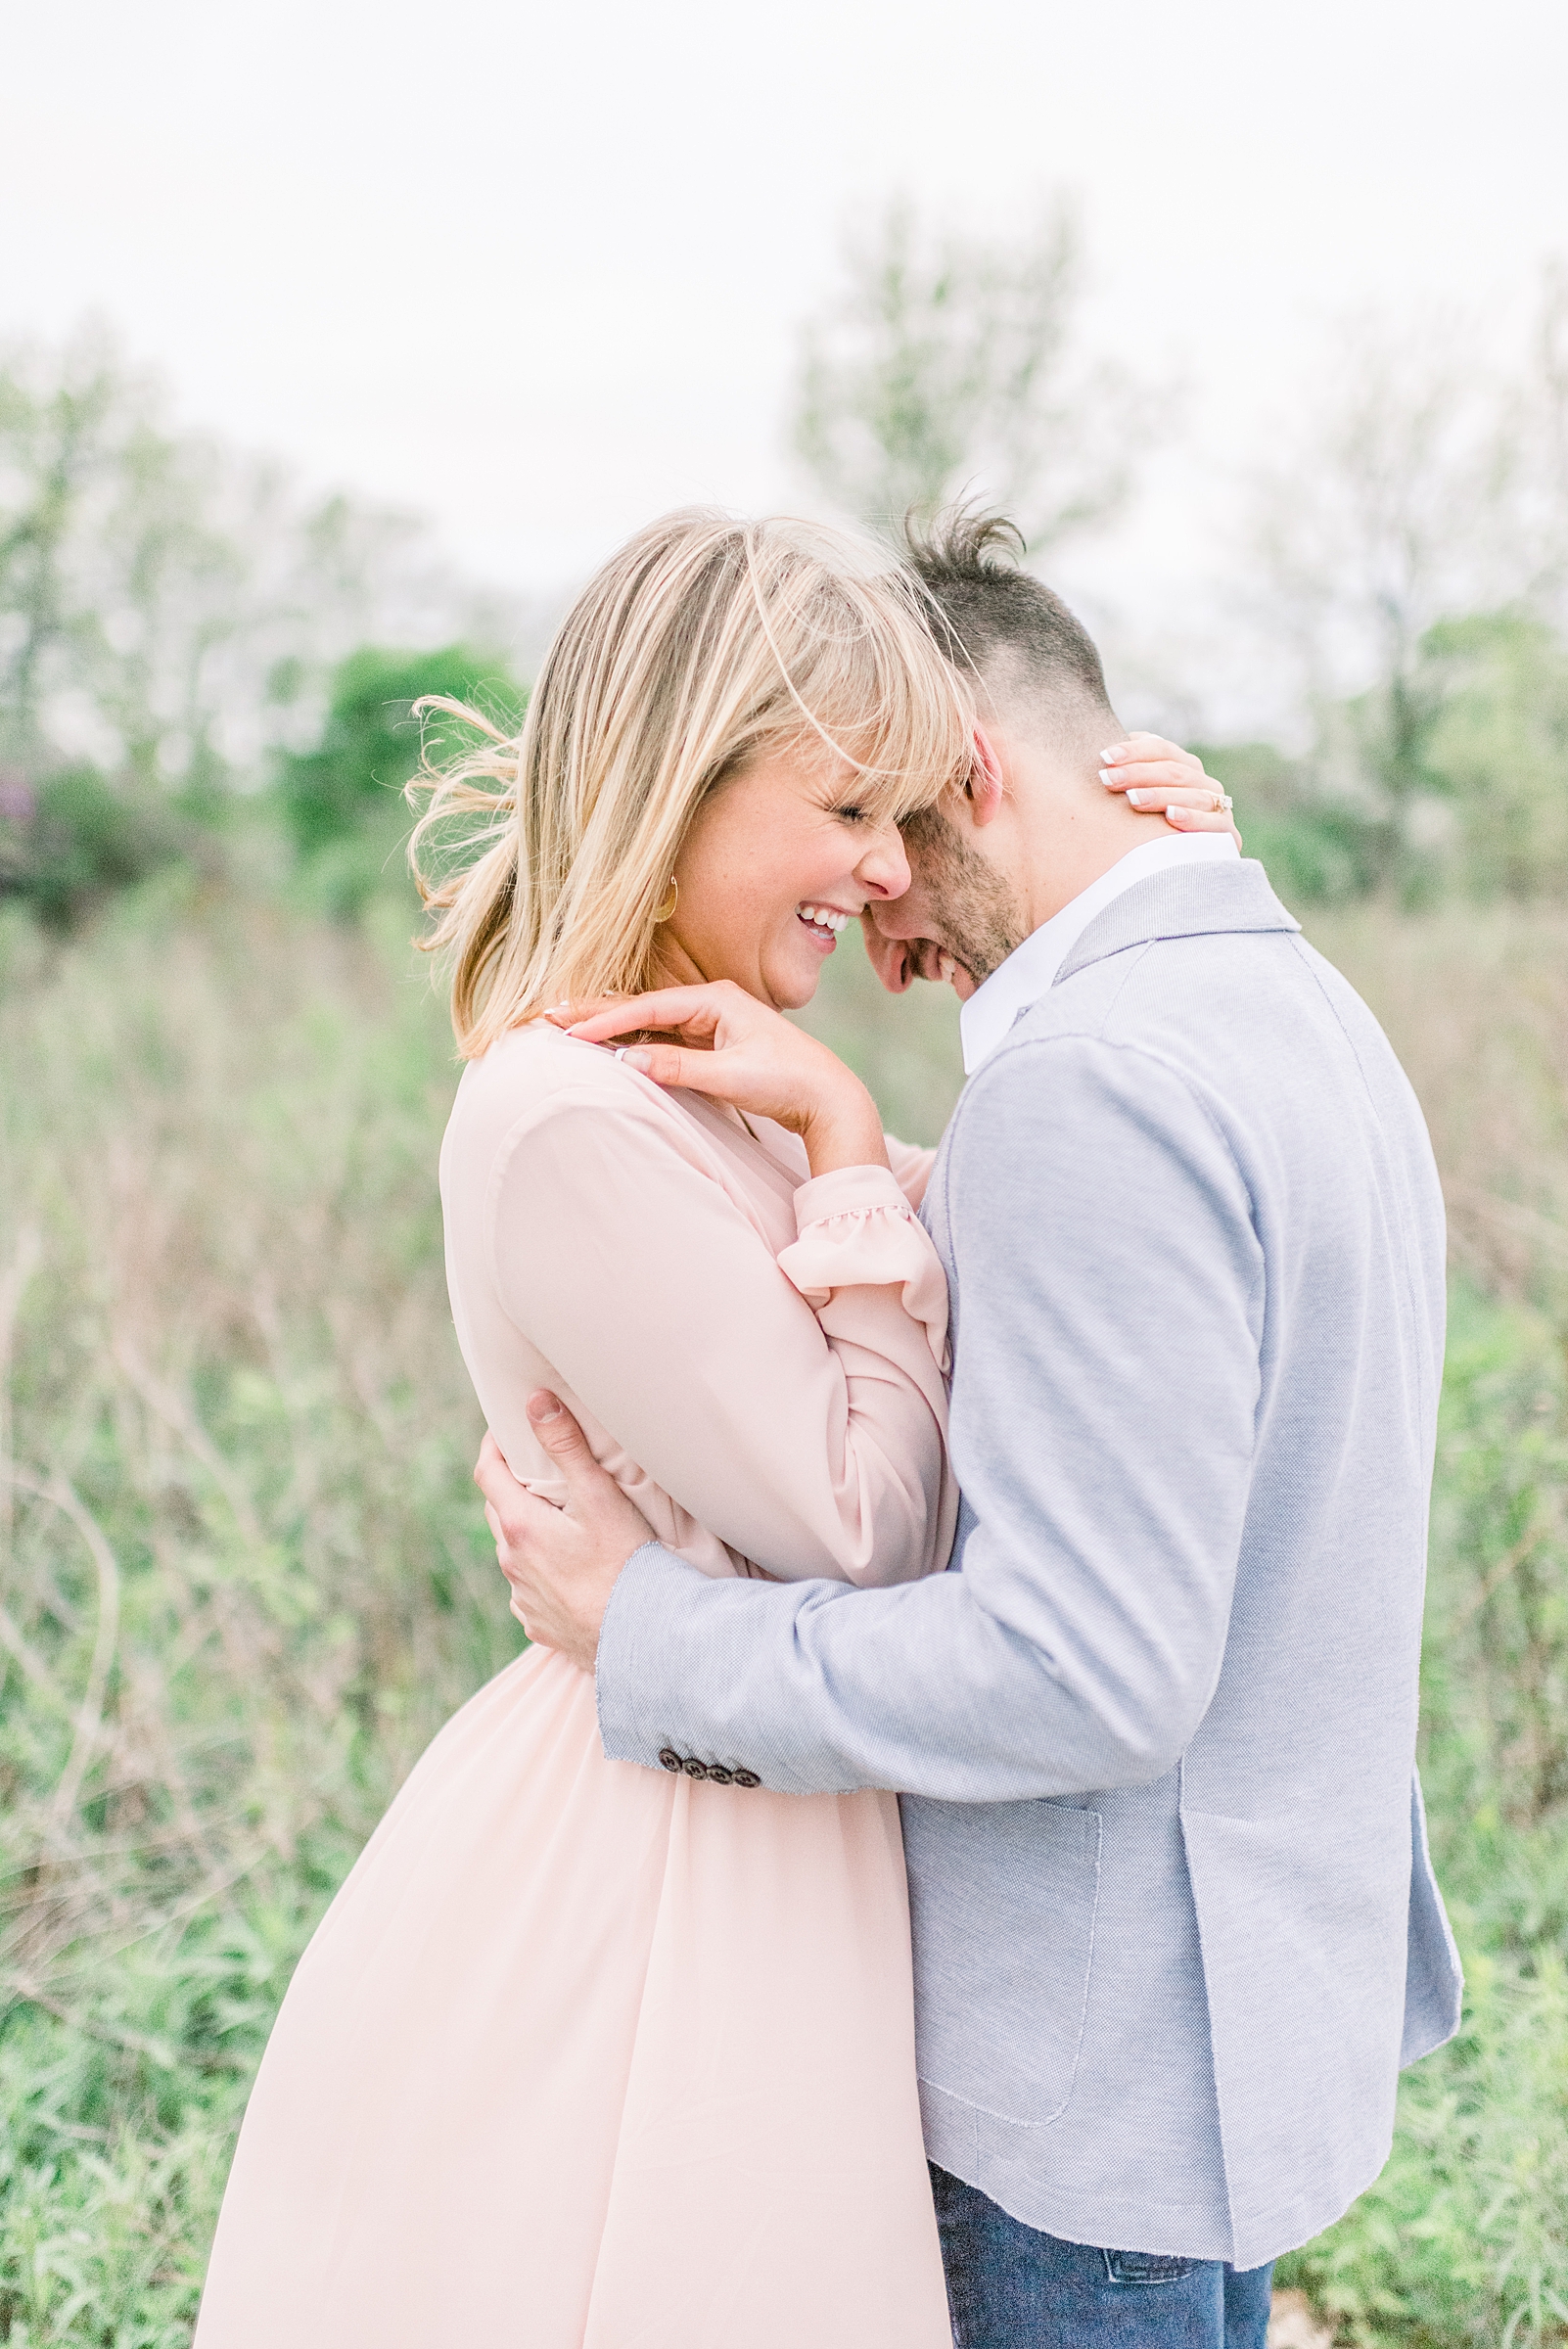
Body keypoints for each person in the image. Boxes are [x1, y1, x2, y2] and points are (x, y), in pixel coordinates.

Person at [192, 506, 1242, 2349]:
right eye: (842, 812)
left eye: (905, 816)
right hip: (670, 1854)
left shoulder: (715, 1090)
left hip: (764, 1796)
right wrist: (849, 1147)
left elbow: (1018, 1240)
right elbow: (871, 1532)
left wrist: (1143, 907)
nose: (880, 870)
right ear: (687, 780)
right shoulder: (566, 1120)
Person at [477, 510, 1466, 2349]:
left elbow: (1087, 1673)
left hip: (1093, 2090)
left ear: (967, 774)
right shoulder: (1300, 1007)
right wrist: (850, 1156)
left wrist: (650, 1634)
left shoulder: (1088, 1081)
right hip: (1241, 2034)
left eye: (879, 828)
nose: (875, 926)